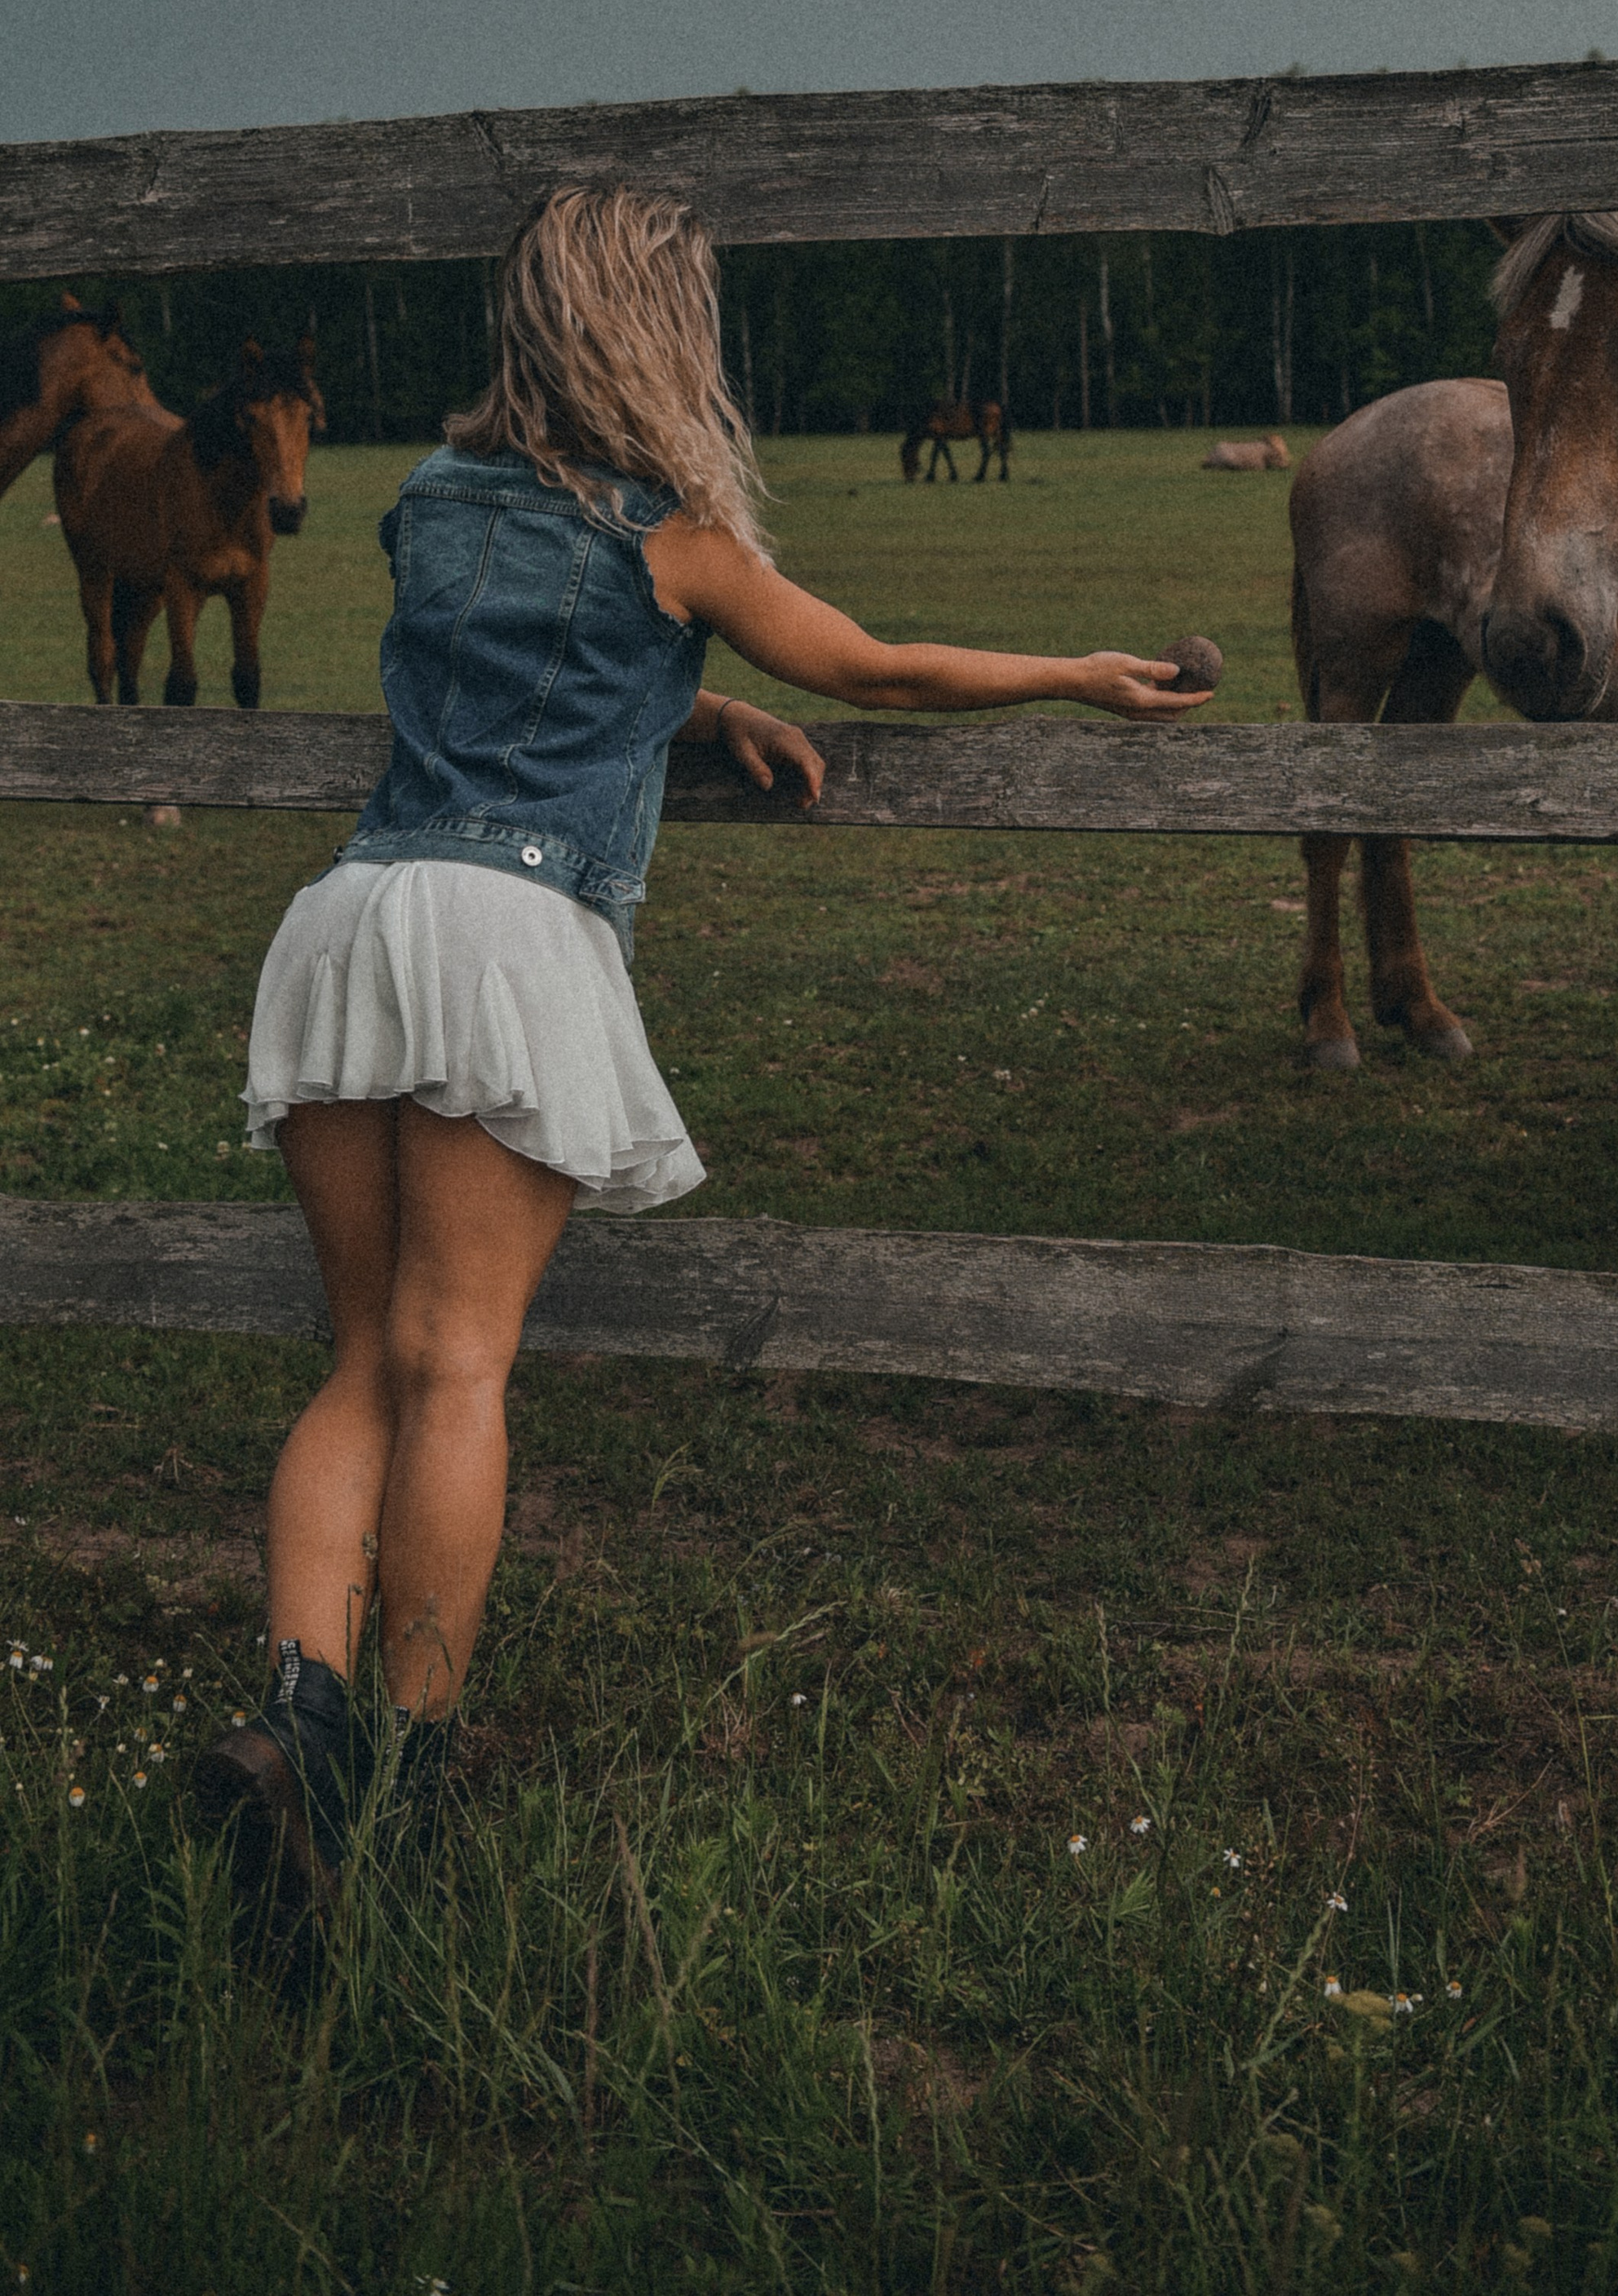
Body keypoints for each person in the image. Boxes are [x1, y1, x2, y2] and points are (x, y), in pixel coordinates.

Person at [192, 184, 1208, 1907]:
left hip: (353, 919)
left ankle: (292, 1732)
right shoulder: (677, 542)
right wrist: (1075, 673)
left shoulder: (425, 506)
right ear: (657, 338)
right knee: (459, 1371)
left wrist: (689, 698)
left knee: (360, 1360)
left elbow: (499, 665)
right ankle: (409, 1790)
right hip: (505, 940)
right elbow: (876, 671)